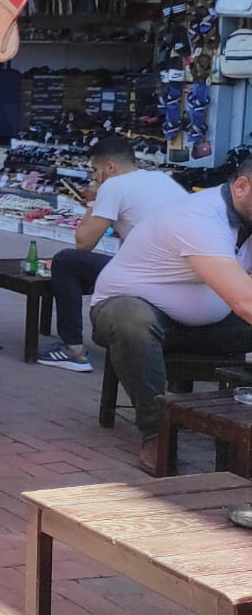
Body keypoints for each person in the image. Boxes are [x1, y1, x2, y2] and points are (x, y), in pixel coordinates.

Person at [89, 162, 252, 472]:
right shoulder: (199, 216)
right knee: (132, 321)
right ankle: (156, 431)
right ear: (242, 187)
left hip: (207, 323)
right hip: (133, 309)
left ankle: (240, 427)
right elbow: (245, 300)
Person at [39, 138, 186, 372]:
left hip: (150, 276)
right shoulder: (162, 179)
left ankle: (72, 349)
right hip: (179, 272)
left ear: (109, 167)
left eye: (95, 171)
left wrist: (93, 202)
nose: (94, 177)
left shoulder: (113, 185)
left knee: (66, 261)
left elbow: (83, 244)